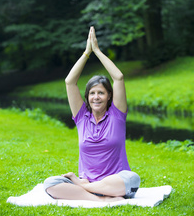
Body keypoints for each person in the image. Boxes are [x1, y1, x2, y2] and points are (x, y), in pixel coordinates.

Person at [43, 27, 140, 202]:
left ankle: (85, 189)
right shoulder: (81, 117)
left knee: (132, 178)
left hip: (115, 183)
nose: (96, 97)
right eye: (92, 93)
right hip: (94, 183)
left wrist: (97, 51)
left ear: (109, 95)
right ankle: (101, 199)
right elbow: (69, 81)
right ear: (87, 97)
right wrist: (87, 53)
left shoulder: (117, 115)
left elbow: (118, 77)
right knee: (50, 183)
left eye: (101, 93)